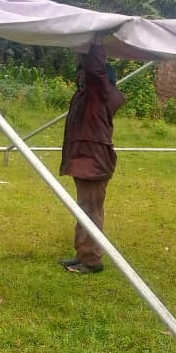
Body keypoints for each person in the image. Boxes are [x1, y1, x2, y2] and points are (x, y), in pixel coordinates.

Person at [57, 42, 125, 274]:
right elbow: (89, 70)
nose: (79, 78)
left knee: (92, 209)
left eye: (83, 75)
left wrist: (96, 42)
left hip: (94, 160)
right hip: (87, 159)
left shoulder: (99, 94)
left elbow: (95, 71)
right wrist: (82, 52)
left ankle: (92, 260)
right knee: (84, 208)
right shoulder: (89, 96)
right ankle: (83, 254)